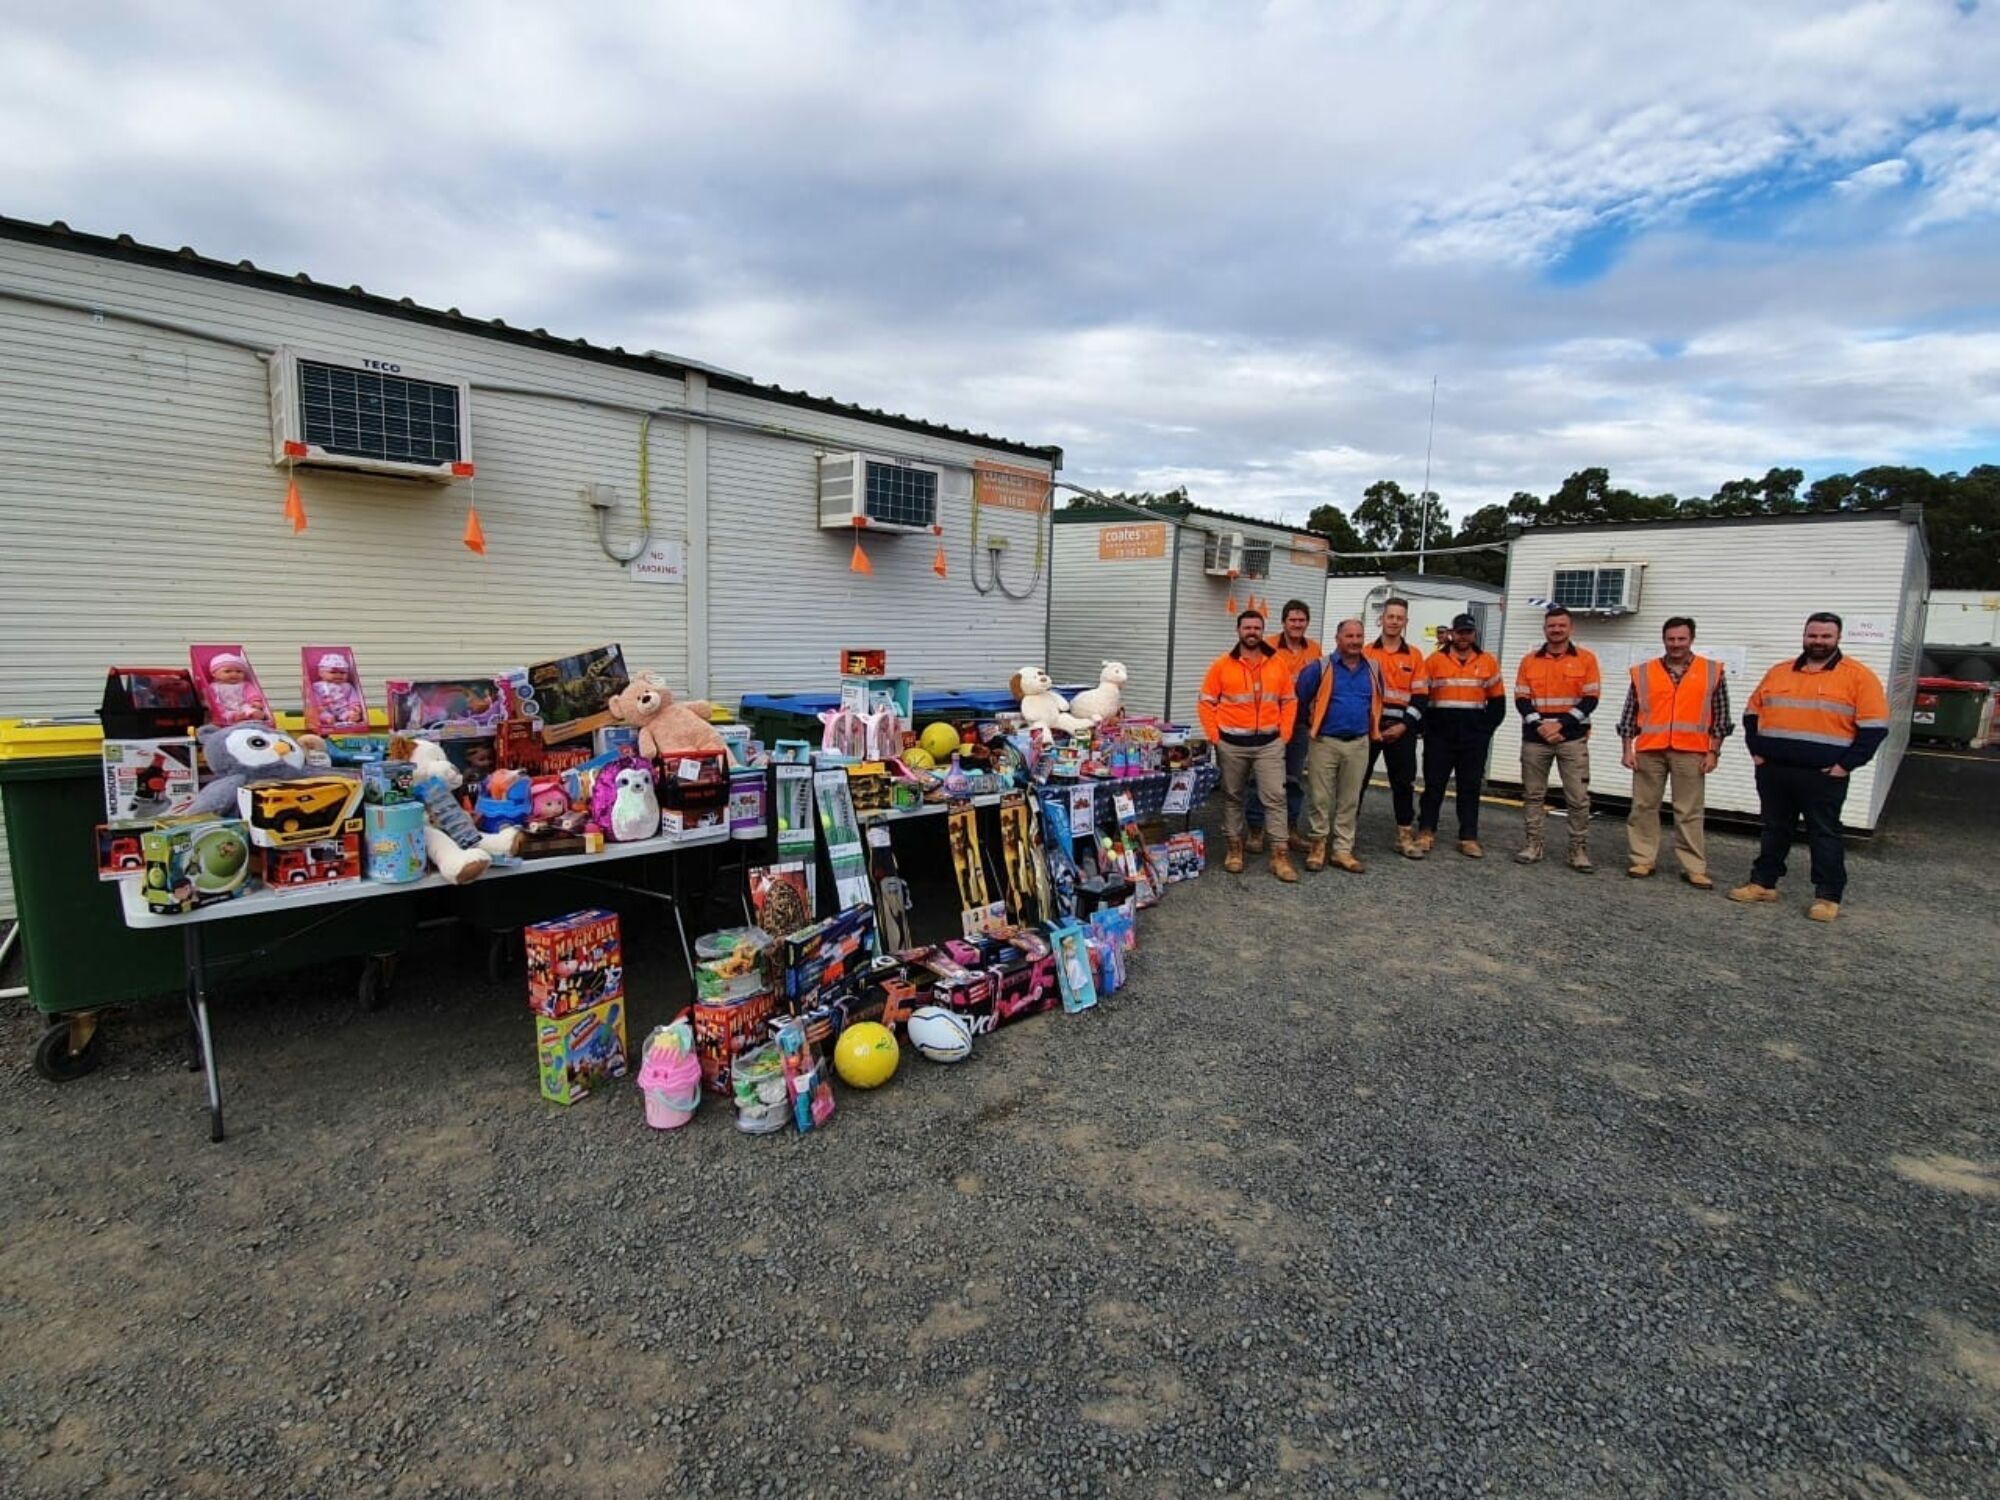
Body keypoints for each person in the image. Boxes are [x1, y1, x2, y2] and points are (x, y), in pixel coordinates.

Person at [1729, 612, 1889, 921]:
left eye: (1825, 636)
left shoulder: (1858, 676)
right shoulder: (1779, 672)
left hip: (1824, 775)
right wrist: (1757, 751)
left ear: (1837, 638)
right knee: (1774, 829)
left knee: (1824, 833)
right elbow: (1752, 713)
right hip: (1775, 771)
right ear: (1804, 636)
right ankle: (1763, 883)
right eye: (1812, 635)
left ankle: (1828, 896)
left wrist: (1846, 765)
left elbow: (1875, 728)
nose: (1818, 642)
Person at [1618, 616, 1733, 888]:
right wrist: (1627, 749)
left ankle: (1694, 867)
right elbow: (1629, 714)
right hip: (1650, 749)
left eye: (1681, 639)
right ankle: (1643, 859)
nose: (1676, 644)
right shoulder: (1644, 672)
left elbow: (1721, 716)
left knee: (1689, 810)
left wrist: (1713, 752)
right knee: (1643, 807)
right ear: (1663, 639)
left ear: (1691, 639)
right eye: (1671, 639)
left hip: (1691, 751)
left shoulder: (1711, 671)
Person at [1197, 609, 1300, 882]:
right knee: (1232, 797)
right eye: (1247, 628)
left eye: (1256, 627)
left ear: (1262, 631)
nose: (1252, 632)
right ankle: (1234, 849)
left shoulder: (1277, 663)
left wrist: (1285, 734)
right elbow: (1206, 701)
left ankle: (1280, 856)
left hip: (1269, 744)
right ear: (1239, 631)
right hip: (1231, 744)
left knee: (1275, 798)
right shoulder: (1222, 665)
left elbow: (1289, 701)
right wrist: (1214, 737)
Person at [1513, 606, 1602, 872]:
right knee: (1533, 795)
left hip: (1572, 738)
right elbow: (1521, 697)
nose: (1556, 629)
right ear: (1545, 629)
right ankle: (1533, 844)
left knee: (1577, 797)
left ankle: (1578, 850)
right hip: (1535, 737)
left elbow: (1591, 698)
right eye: (1552, 625)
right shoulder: (1529, 661)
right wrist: (1540, 725)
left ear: (1570, 628)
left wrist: (1562, 724)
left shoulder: (1586, 659)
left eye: (1561, 625)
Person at [1292, 618, 1383, 873]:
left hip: (1358, 743)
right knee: (1319, 798)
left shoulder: (1373, 668)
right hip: (1325, 742)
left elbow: (1378, 699)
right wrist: (1308, 724)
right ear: (1337, 638)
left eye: (1358, 636)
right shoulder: (1319, 668)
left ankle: (1342, 850)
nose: (1355, 641)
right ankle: (1318, 845)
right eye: (1349, 636)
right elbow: (1299, 698)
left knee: (1349, 800)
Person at [1414, 613, 1506, 857]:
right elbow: (1422, 697)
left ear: (1474, 634)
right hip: (1440, 737)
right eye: (1460, 632)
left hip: (1473, 738)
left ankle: (1468, 837)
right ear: (1452, 633)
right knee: (1434, 786)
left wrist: (1485, 731)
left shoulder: (1487, 662)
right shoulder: (1434, 661)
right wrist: (1426, 729)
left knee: (1470, 787)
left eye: (1468, 632)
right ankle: (1425, 831)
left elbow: (1497, 703)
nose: (1464, 636)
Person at [1247, 598, 1320, 853]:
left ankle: (1289, 829)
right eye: (1292, 620)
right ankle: (1256, 830)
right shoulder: (1267, 647)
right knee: (1260, 778)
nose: (1297, 624)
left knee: (1293, 778)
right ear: (1284, 622)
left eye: (1301, 620)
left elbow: (1319, 688)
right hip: (1269, 722)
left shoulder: (1314, 650)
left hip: (1299, 723)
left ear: (1307, 623)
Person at [1361, 598, 1426, 857]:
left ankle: (1404, 834)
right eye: (1391, 617)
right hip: (1369, 727)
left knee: (1403, 782)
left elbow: (1421, 696)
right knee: (1357, 781)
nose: (1394, 622)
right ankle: (1346, 834)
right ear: (1382, 619)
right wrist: (1370, 724)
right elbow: (1358, 691)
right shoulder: (1366, 652)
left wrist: (1405, 725)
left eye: (1400, 618)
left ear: (1405, 622)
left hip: (1402, 729)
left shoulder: (1415, 656)